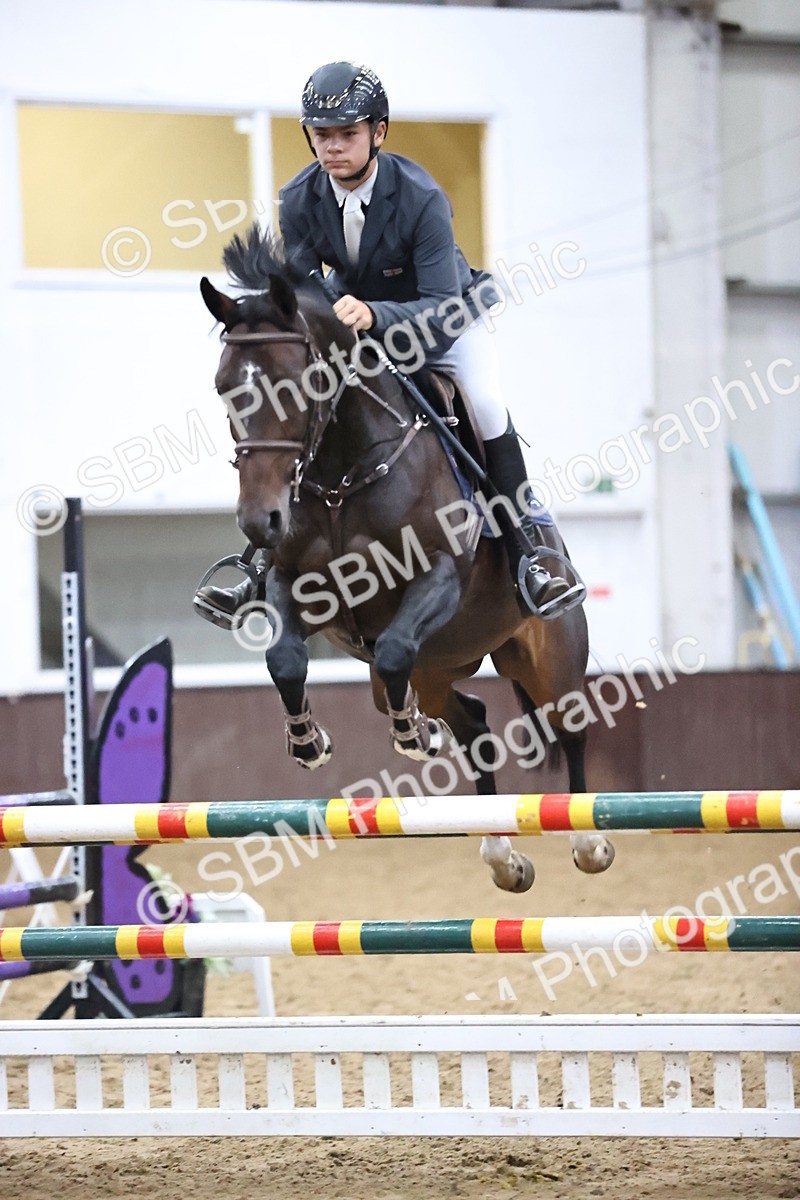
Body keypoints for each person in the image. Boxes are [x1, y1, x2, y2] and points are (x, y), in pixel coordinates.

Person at [194, 61, 581, 629]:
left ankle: (529, 552)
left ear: (379, 132)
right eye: (321, 136)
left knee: (488, 404)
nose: (332, 148)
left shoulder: (422, 197)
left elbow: (444, 308)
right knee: (303, 407)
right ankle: (261, 563)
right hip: (355, 329)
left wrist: (375, 313)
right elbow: (300, 291)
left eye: (347, 134)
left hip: (438, 325)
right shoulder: (299, 198)